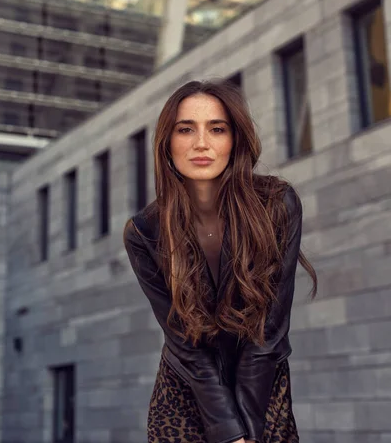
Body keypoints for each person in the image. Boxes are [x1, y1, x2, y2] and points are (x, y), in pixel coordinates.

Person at [124, 79, 317, 443]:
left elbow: (269, 332)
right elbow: (185, 344)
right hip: (188, 395)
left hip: (262, 388)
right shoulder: (144, 231)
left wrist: (245, 430)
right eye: (186, 129)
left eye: (217, 129)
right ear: (167, 143)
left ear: (235, 140)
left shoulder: (277, 205)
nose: (201, 143)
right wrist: (227, 431)